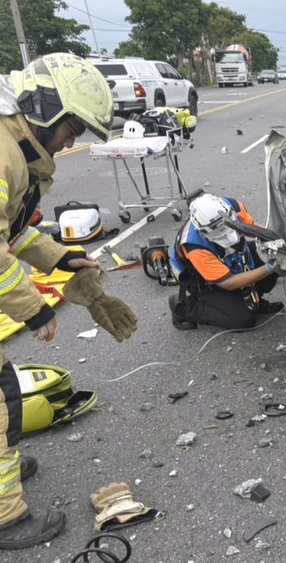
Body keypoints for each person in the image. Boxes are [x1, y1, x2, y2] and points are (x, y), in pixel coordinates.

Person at [0, 53, 130, 548]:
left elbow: (12, 232)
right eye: (71, 129)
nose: (71, 142)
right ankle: (6, 518)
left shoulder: (15, 148)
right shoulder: (4, 152)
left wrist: (62, 258)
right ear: (44, 109)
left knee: (4, 392)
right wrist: (33, 309)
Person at [169, 193, 285, 330]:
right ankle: (185, 307)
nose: (228, 238)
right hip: (200, 277)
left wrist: (279, 244)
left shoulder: (234, 206)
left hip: (227, 256)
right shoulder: (195, 247)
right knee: (242, 319)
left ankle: (253, 301)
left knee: (270, 270)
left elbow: (254, 229)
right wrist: (270, 267)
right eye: (221, 236)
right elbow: (228, 282)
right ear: (202, 231)